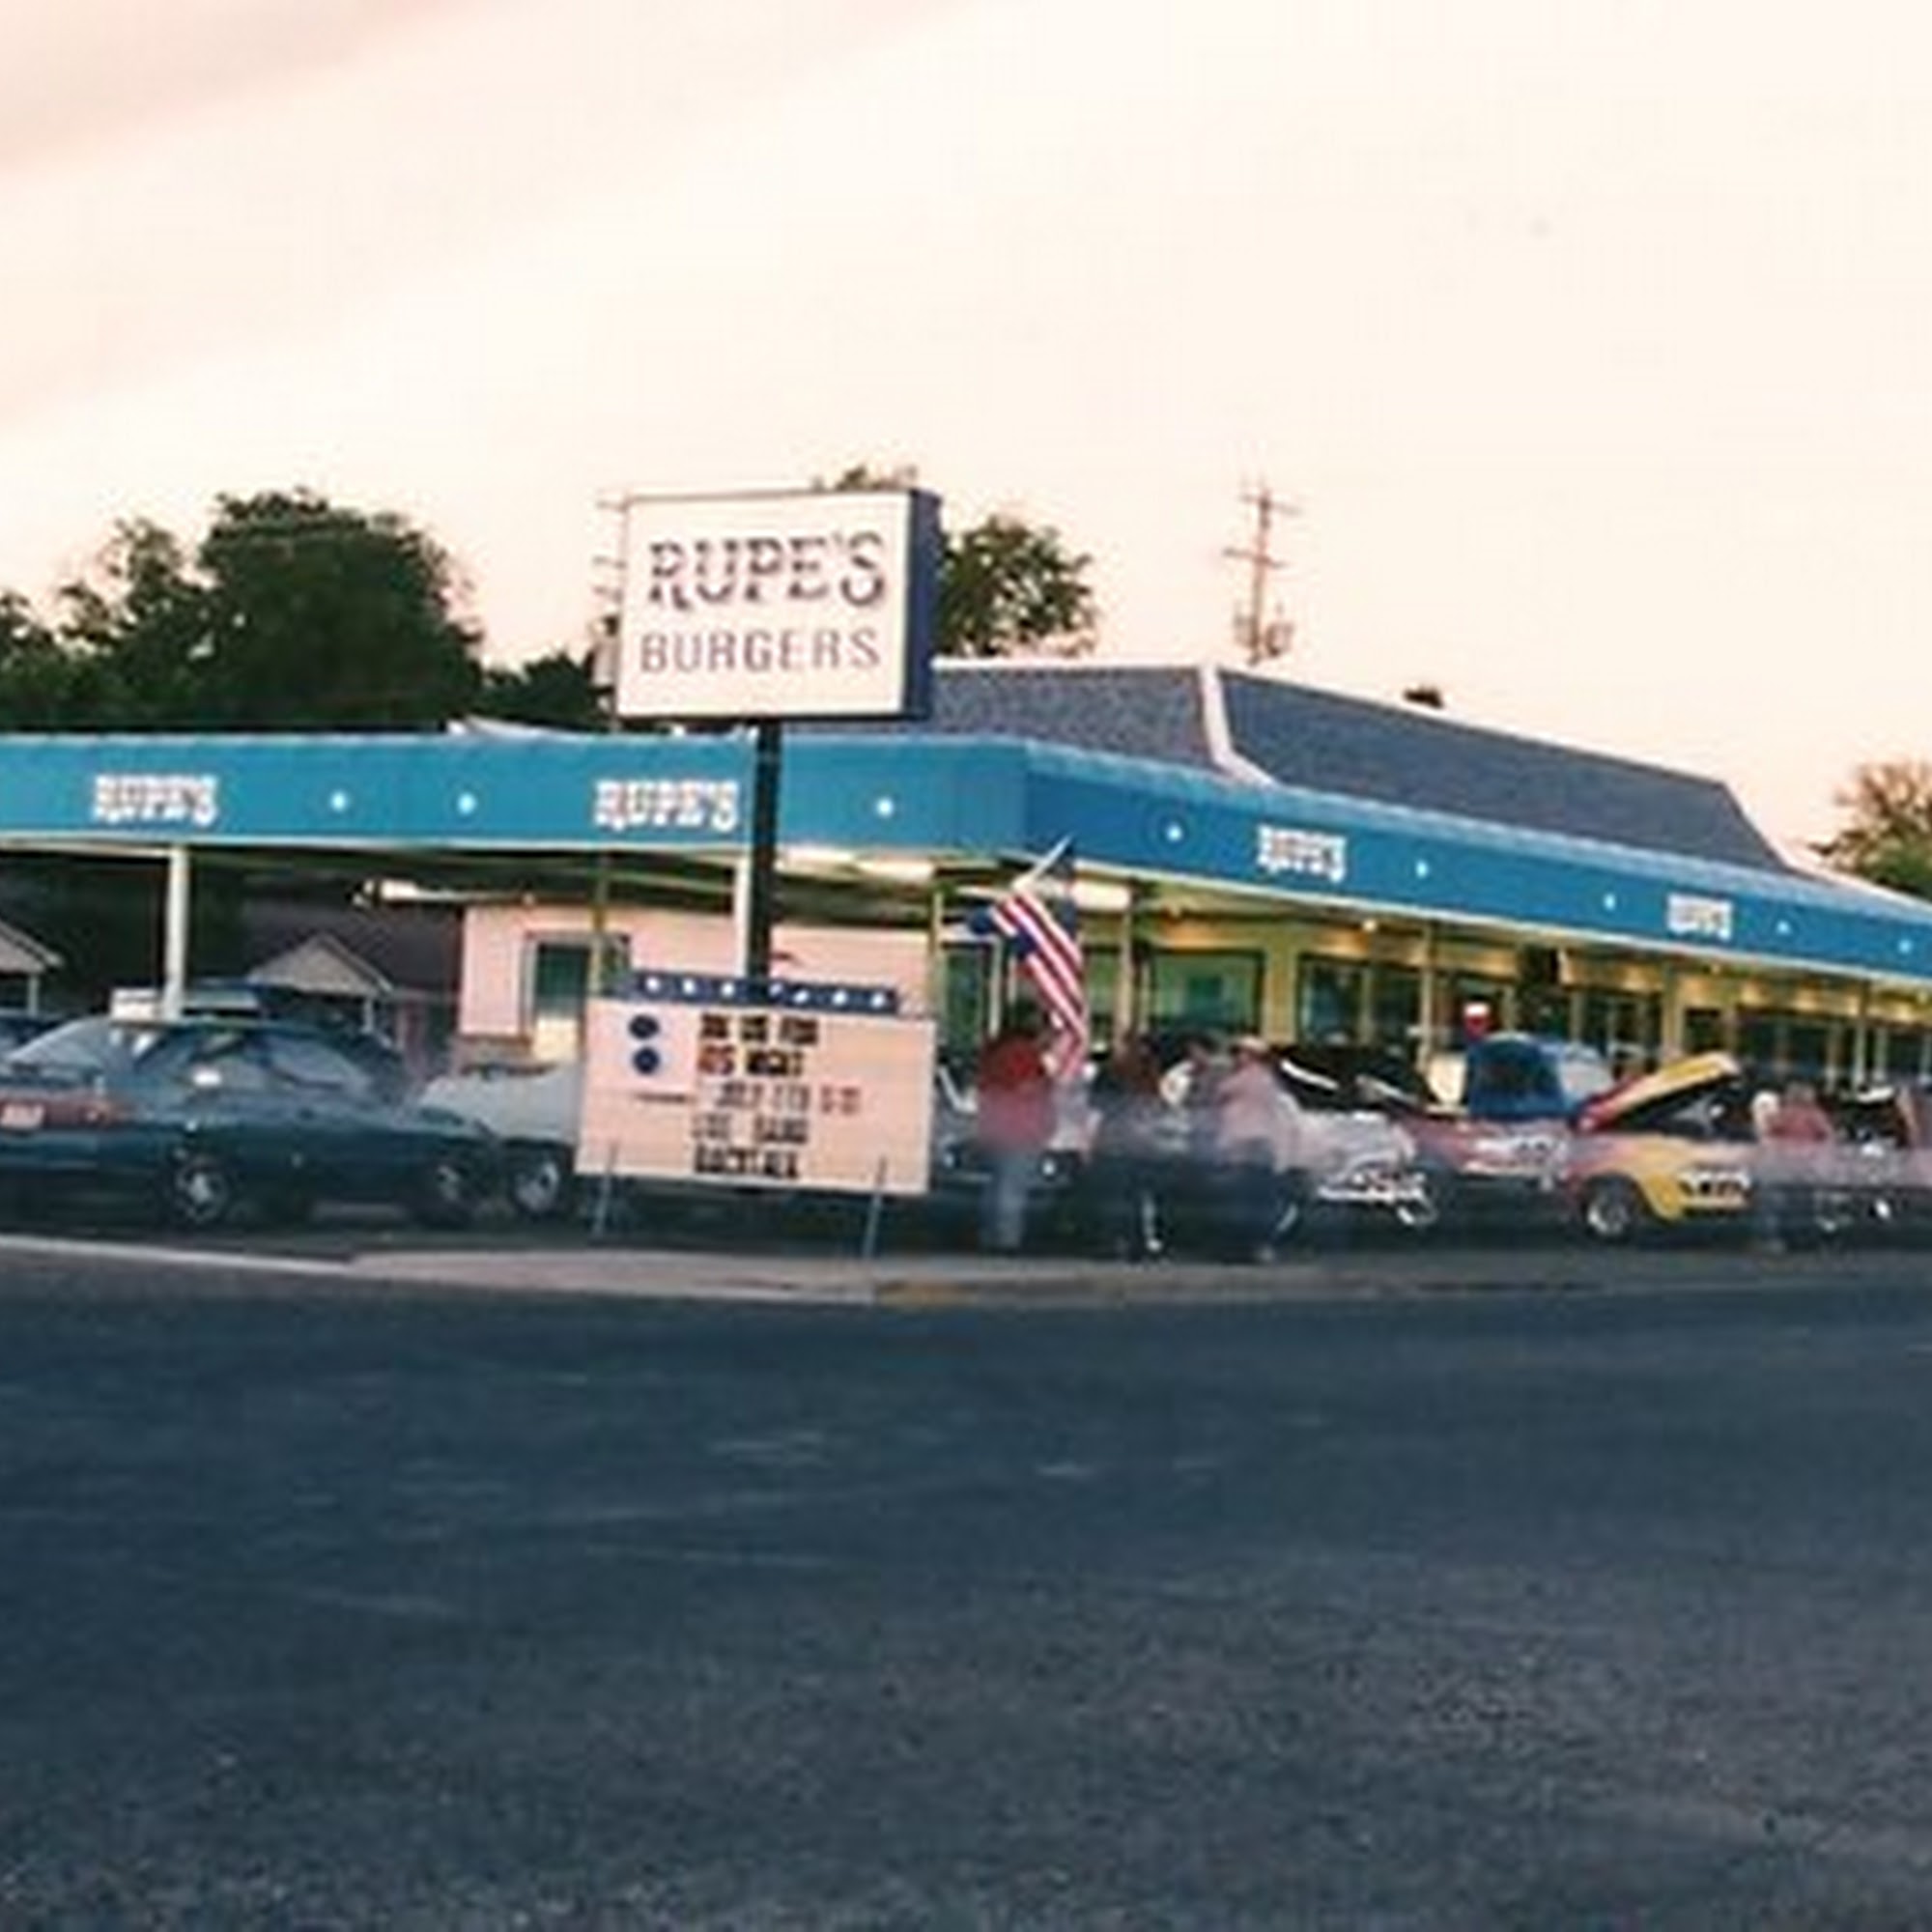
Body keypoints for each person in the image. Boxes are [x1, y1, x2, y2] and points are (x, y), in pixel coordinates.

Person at [1213, 1034, 1304, 1262]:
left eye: (1238, 1053)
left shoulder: (1251, 1079)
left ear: (1251, 1056)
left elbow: (1219, 1092)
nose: (1234, 1058)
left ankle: (1249, 1247)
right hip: (1254, 1146)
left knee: (1243, 1201)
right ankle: (1253, 1247)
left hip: (1248, 1146)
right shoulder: (1267, 1081)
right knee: (1251, 1201)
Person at [973, 1006, 1056, 1254]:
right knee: (1012, 1189)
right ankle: (1007, 1242)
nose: (1050, 1036)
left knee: (998, 1187)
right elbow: (1027, 1088)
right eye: (1047, 1030)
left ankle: (992, 1237)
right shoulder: (1022, 1053)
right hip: (1019, 1131)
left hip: (997, 1129)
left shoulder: (998, 1051)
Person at [1087, 1033, 1168, 1260]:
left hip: (1115, 1139)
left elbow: (1096, 1106)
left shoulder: (1113, 1071)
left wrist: (1090, 1140)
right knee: (1138, 1196)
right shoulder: (1150, 1072)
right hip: (1142, 1141)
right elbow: (1159, 1106)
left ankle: (1114, 1242)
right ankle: (1139, 1244)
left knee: (1114, 1195)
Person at [1751, 1075, 1834, 1253]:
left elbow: (1768, 1133)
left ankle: (1788, 1237)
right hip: (1807, 1165)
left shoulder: (1784, 1114)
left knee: (1787, 1203)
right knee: (1806, 1204)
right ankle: (1805, 1239)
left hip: (1787, 1164)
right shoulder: (1815, 1114)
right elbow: (1828, 1136)